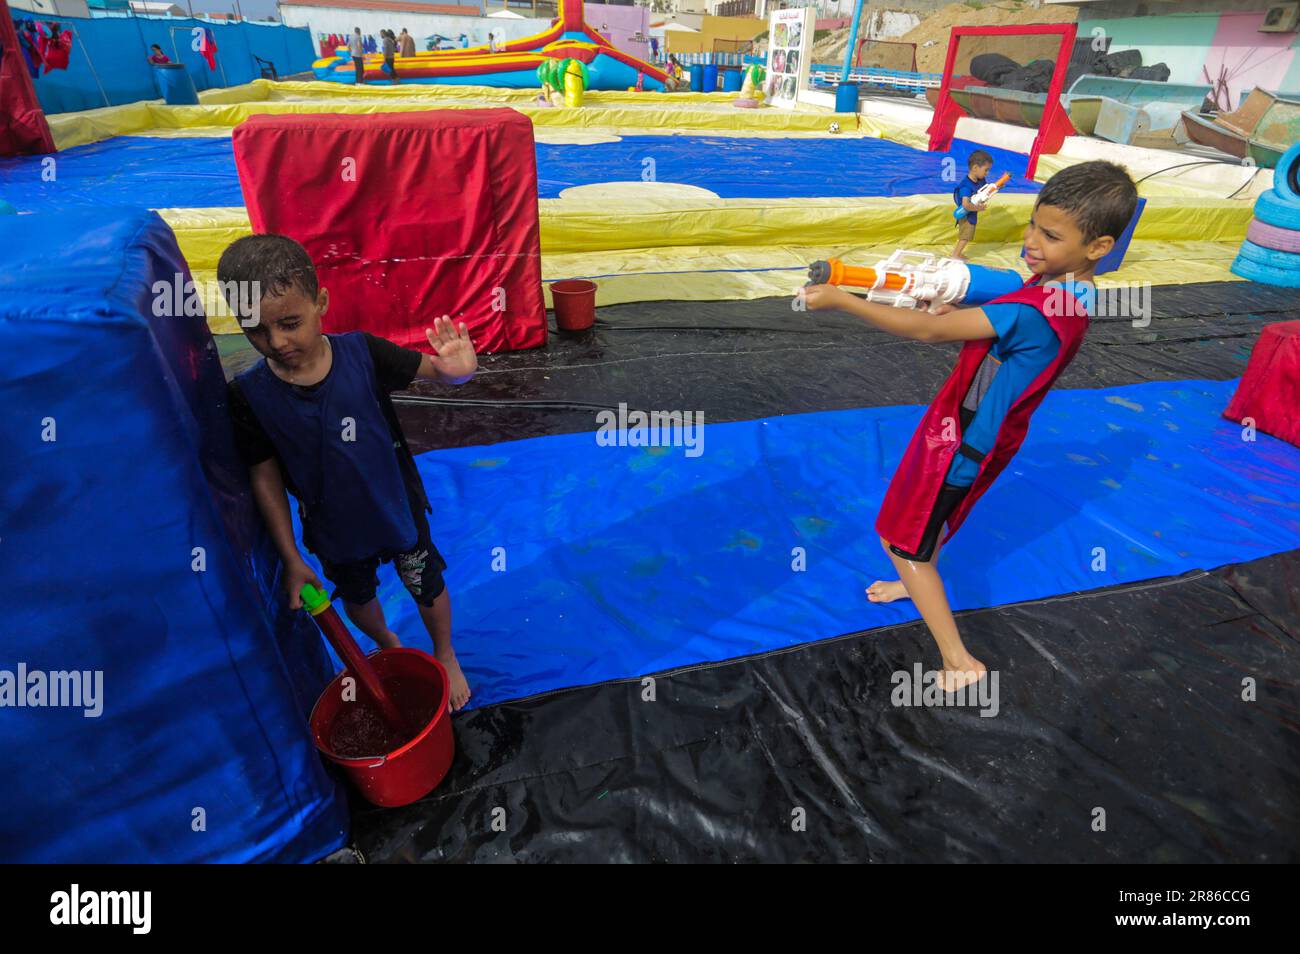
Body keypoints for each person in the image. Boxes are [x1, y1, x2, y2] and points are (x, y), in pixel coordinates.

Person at [803, 161, 1138, 691]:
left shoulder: (1032, 309)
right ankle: (911, 577)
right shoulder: (1071, 292)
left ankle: (960, 661)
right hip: (985, 433)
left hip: (961, 441)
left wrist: (846, 299)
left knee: (902, 537)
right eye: (1033, 224)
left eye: (1050, 236)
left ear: (1098, 246)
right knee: (927, 522)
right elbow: (1008, 302)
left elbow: (928, 331)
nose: (1031, 241)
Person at [217, 234, 477, 710]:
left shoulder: (363, 353)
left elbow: (439, 371)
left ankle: (445, 651)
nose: (277, 342)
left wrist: (458, 370)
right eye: (255, 330)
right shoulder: (249, 396)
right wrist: (291, 554)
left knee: (426, 582)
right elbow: (263, 475)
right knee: (356, 596)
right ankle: (388, 641)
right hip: (333, 525)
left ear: (321, 303)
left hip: (396, 507)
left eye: (291, 323)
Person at [952, 150, 993, 260]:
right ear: (975, 168)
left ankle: (957, 253)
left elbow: (986, 189)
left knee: (967, 235)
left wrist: (997, 187)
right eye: (986, 170)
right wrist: (979, 208)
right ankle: (955, 254)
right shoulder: (966, 186)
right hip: (966, 214)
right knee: (965, 236)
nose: (987, 173)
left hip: (972, 213)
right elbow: (966, 205)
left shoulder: (980, 180)